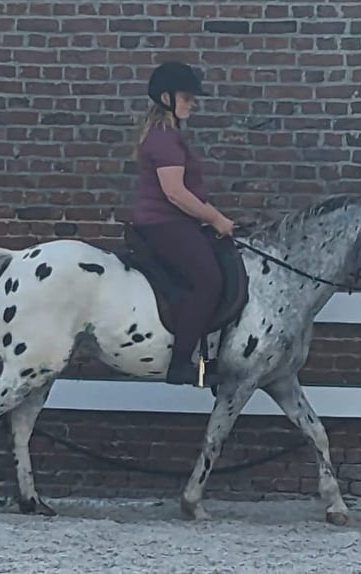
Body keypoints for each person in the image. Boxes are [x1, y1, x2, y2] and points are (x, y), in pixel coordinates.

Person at [130, 61, 236, 386]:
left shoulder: (170, 135)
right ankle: (180, 363)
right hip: (164, 223)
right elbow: (175, 193)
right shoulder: (164, 139)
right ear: (166, 97)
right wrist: (216, 218)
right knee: (208, 280)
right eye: (187, 97)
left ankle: (213, 357)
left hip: (177, 222)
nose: (193, 103)